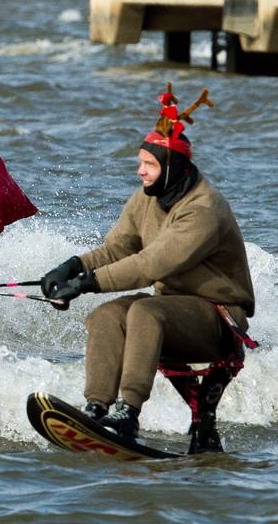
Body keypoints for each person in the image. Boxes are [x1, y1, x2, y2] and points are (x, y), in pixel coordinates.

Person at [40, 85, 255, 439]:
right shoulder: (147, 197)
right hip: (172, 308)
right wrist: (71, 267)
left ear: (174, 167)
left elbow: (151, 264)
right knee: (105, 315)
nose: (140, 171)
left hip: (218, 317)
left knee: (144, 312)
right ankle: (96, 408)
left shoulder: (203, 210)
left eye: (149, 164)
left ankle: (128, 413)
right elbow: (117, 249)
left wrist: (88, 284)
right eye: (140, 163)